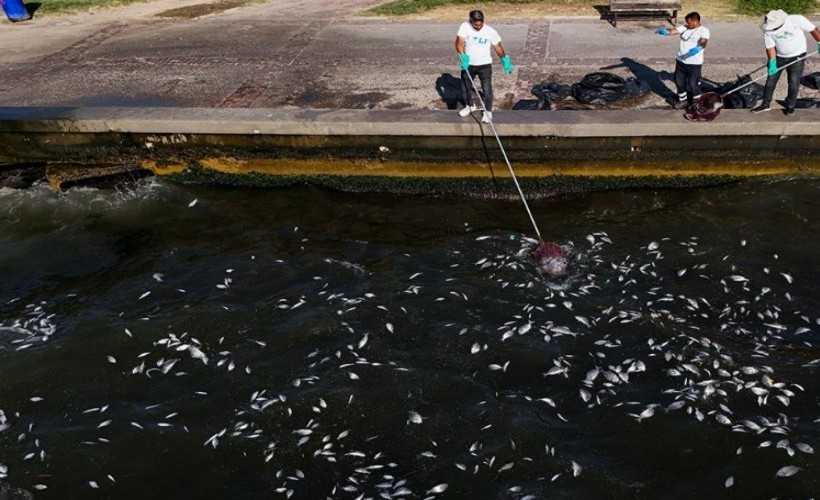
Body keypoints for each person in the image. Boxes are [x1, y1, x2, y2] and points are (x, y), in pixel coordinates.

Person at [751, 9, 820, 116]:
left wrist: (819, 41)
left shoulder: (797, 19)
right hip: (779, 57)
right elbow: (770, 47)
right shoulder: (768, 29)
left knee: (793, 82)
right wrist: (772, 62)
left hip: (797, 56)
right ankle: (765, 104)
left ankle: (790, 106)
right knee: (770, 81)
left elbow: (813, 29)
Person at [455, 10, 514, 124]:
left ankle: (488, 112)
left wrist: (505, 60)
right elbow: (458, 43)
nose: (478, 26)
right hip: (469, 64)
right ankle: (469, 106)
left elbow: (498, 47)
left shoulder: (490, 31)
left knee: (487, 89)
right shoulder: (465, 27)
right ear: (471, 21)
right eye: (476, 24)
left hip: (485, 65)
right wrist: (463, 57)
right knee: (465, 87)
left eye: (480, 24)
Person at [654, 12, 710, 109]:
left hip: (694, 63)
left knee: (693, 84)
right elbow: (674, 31)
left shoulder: (704, 31)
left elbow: (704, 41)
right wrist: (666, 31)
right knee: (679, 82)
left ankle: (697, 103)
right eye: (686, 22)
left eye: (689, 22)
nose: (687, 24)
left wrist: (699, 48)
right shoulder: (685, 27)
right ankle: (683, 101)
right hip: (681, 61)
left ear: (696, 22)